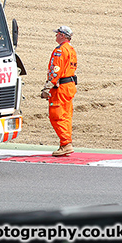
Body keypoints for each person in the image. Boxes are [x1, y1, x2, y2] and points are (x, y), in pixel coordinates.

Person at [40, 26, 78, 156]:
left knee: (57, 116)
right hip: (70, 86)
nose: (55, 36)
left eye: (57, 34)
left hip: (60, 87)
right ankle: (65, 143)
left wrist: (48, 86)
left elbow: (56, 69)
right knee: (66, 116)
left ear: (62, 35)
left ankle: (66, 143)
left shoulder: (60, 50)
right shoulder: (71, 50)